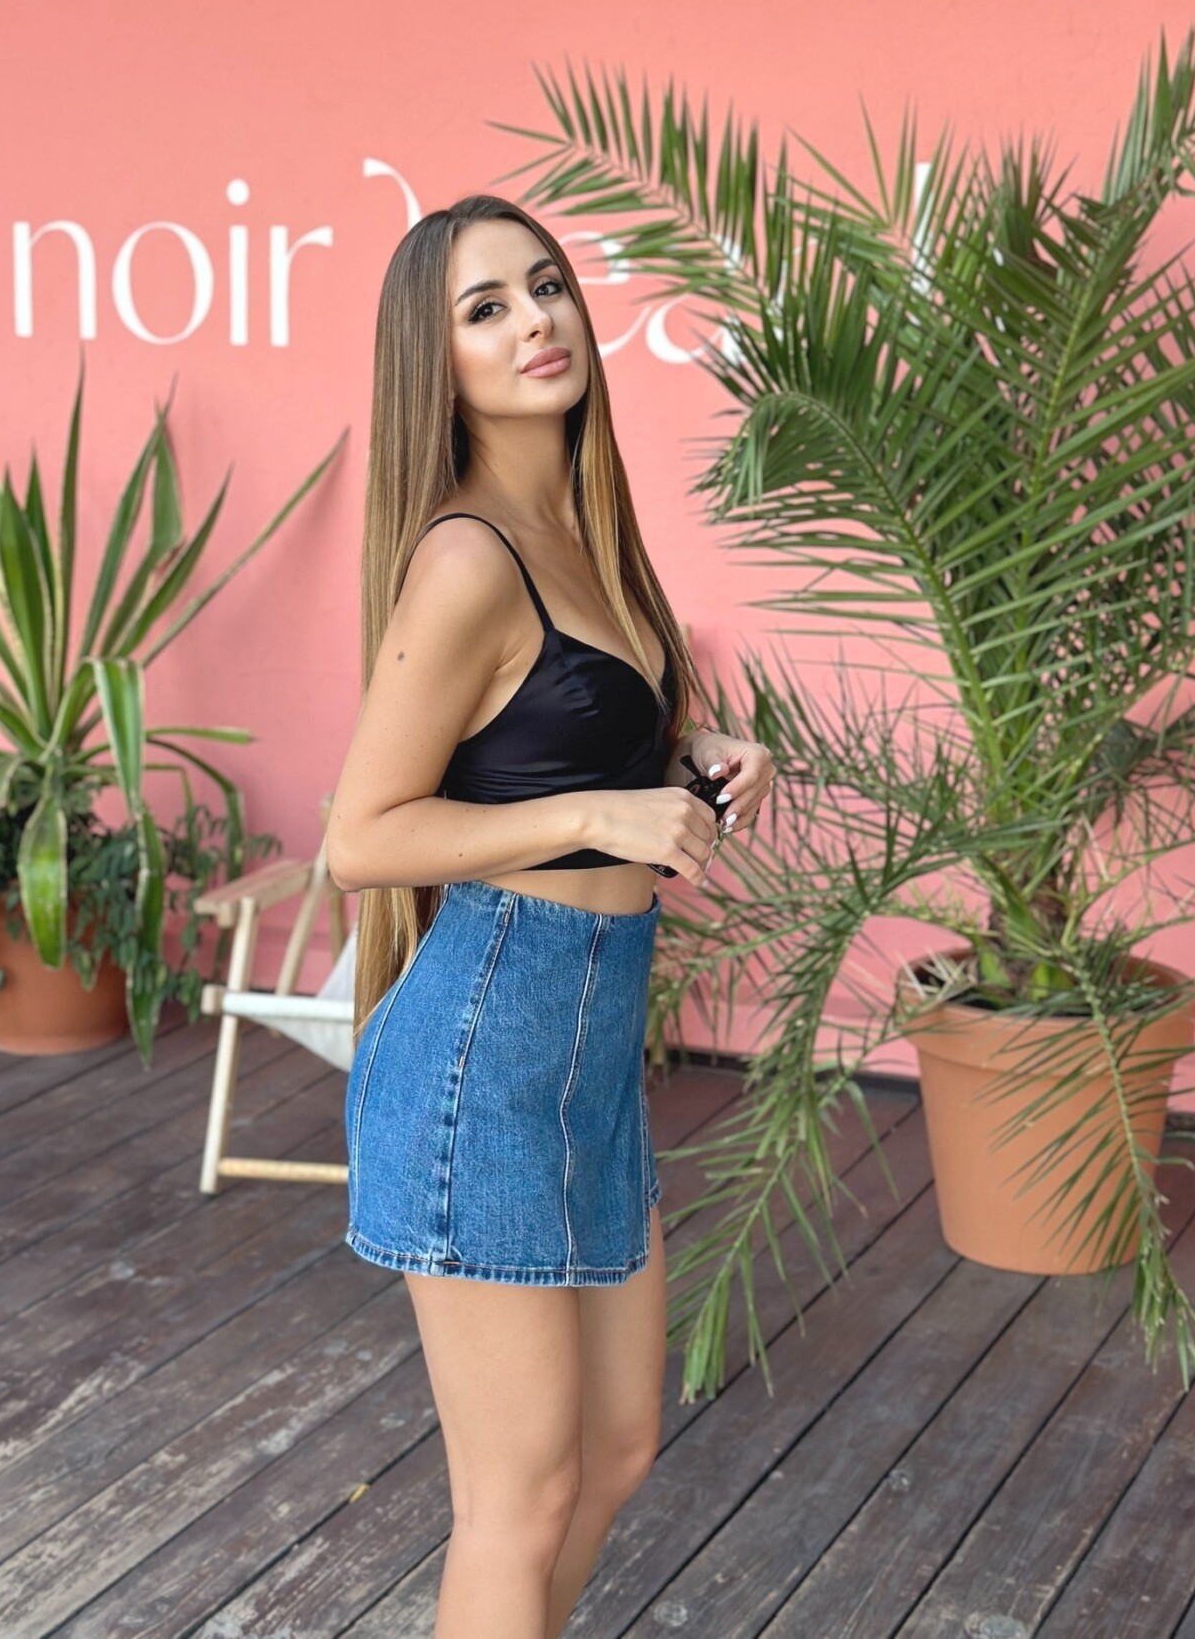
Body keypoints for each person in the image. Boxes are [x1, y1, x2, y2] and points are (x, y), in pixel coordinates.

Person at [326, 194, 775, 1639]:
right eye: (485, 309)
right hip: (483, 1051)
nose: (534, 322)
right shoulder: (468, 557)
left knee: (618, 1451)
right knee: (516, 1505)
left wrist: (691, 758)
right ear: (437, 363)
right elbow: (362, 839)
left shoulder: (584, 534)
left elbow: (558, 738)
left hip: (587, 1054)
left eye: (546, 287)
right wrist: (601, 814)